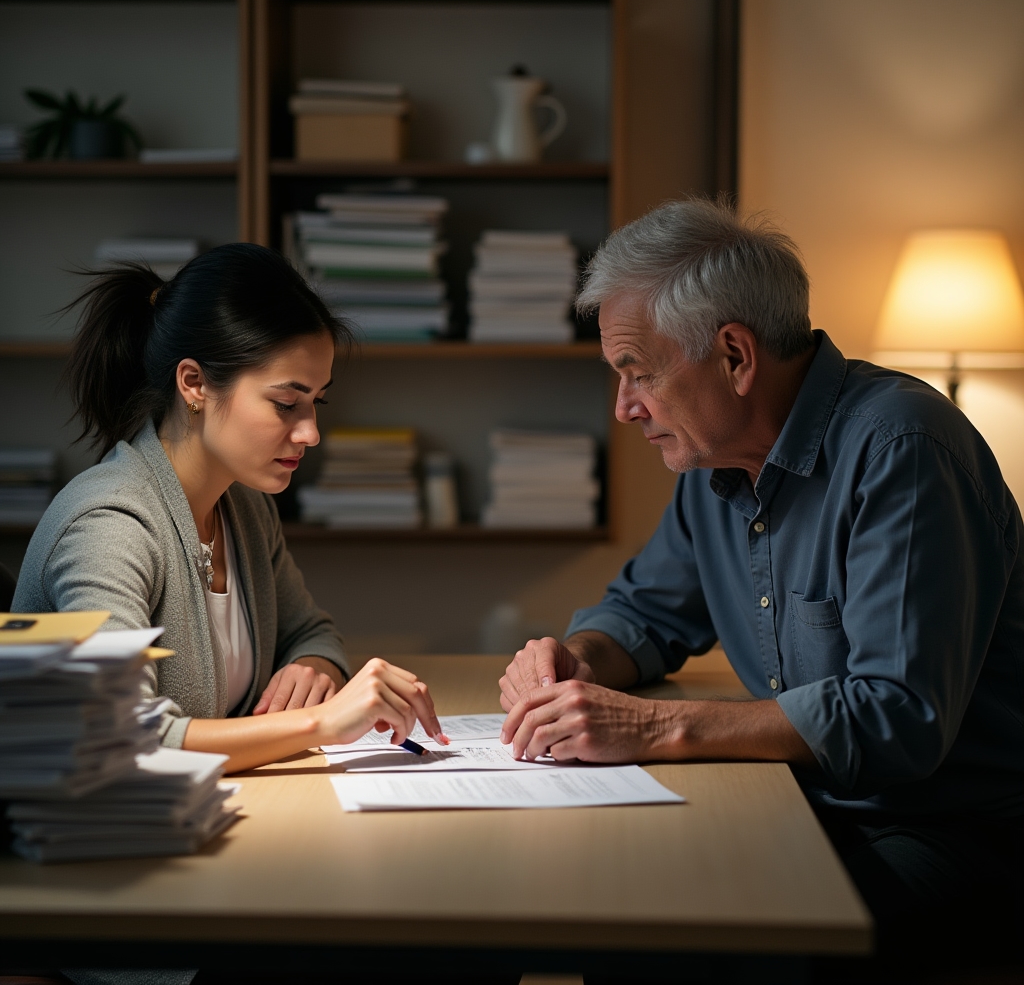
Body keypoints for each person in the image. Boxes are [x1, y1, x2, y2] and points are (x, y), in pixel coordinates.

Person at [497, 200, 1024, 959]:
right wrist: (574, 661)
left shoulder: (904, 447)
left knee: (667, 942)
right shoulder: (717, 462)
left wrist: (652, 728)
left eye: (638, 372)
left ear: (736, 356)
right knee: (593, 895)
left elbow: (897, 717)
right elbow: (644, 614)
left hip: (950, 832)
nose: (625, 407)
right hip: (803, 805)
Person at [14, 243, 447, 773]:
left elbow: (311, 633)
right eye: (286, 404)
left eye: (317, 403)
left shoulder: (243, 504)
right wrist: (323, 722)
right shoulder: (108, 526)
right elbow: (123, 733)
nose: (310, 432)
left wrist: (312, 668)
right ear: (193, 383)